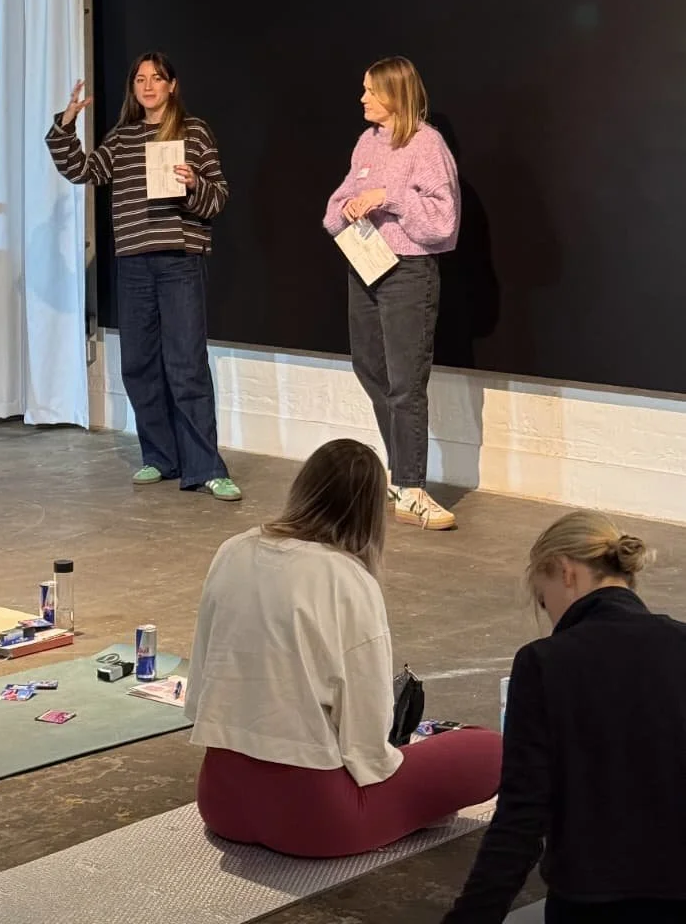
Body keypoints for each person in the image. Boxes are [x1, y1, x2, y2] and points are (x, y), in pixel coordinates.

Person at [185, 439, 501, 857]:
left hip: (219, 801)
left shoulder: (234, 548)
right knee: (491, 749)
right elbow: (368, 738)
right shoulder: (348, 579)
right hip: (315, 817)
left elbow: (201, 682)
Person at [443, 510, 686, 924]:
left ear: (564, 571)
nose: (549, 614)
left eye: (543, 598)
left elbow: (521, 822)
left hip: (590, 904)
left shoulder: (545, 663)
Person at [46, 52, 240, 500]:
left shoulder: (194, 132)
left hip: (178, 259)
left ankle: (206, 466)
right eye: (140, 79)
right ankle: (160, 456)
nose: (148, 86)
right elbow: (83, 170)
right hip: (133, 261)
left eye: (157, 78)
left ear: (173, 85)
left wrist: (193, 184)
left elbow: (219, 197)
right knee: (137, 363)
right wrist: (67, 123)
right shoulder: (123, 136)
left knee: (186, 365)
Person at [324, 56, 460, 531]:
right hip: (363, 267)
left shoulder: (427, 145)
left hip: (408, 272)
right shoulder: (367, 141)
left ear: (393, 95)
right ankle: (400, 477)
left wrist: (388, 198)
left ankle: (411, 485)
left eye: (368, 91)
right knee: (369, 369)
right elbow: (334, 206)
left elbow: (443, 222)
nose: (361, 98)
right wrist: (351, 206)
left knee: (406, 383)